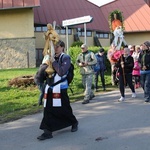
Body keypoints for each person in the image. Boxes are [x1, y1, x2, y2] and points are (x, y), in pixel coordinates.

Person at [37, 40, 78, 140]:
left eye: (57, 46)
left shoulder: (66, 57)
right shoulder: (50, 58)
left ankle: (73, 122)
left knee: (64, 108)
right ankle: (47, 131)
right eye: (54, 46)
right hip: (50, 88)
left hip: (61, 88)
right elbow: (42, 74)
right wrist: (45, 64)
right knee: (47, 109)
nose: (55, 48)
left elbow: (61, 71)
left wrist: (54, 62)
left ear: (62, 47)